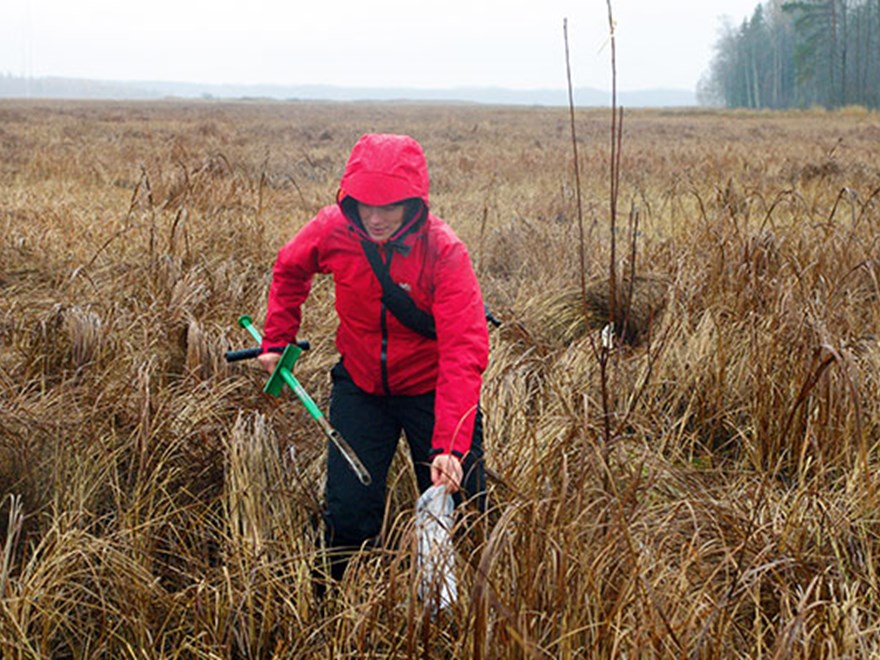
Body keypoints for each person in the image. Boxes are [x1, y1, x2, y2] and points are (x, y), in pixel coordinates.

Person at [257, 133, 489, 582]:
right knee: (348, 513)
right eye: (366, 204)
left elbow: (465, 349)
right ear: (350, 199)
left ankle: (458, 617)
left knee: (463, 505)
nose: (377, 217)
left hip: (430, 389)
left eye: (390, 205)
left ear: (414, 203)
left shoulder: (444, 250)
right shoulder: (332, 229)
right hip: (361, 387)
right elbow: (289, 267)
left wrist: (449, 447)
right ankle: (340, 607)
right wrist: (277, 340)